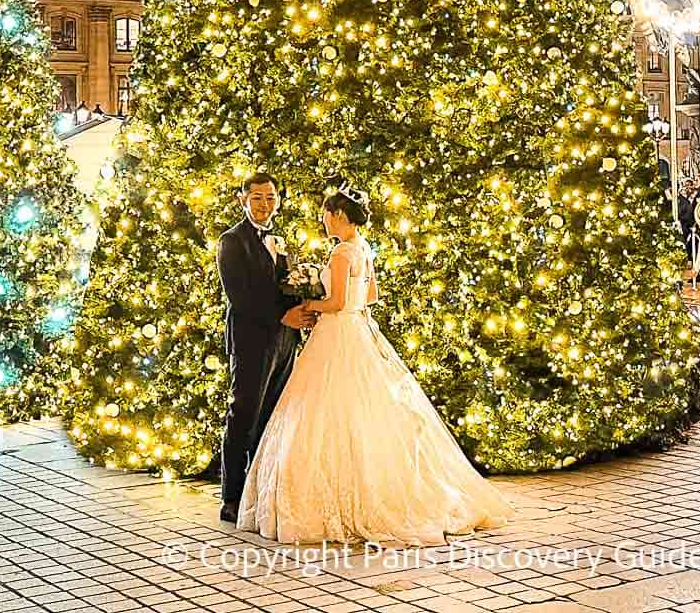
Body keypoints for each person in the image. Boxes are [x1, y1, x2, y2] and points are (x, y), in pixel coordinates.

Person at [238, 184, 511, 544]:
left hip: (336, 335)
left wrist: (309, 304)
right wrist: (341, 304)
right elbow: (371, 295)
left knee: (322, 411)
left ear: (337, 216)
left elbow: (335, 303)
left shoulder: (340, 253)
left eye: (325, 214)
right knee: (366, 408)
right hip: (359, 331)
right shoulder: (363, 248)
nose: (323, 221)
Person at [216, 172, 316, 523]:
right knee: (243, 415)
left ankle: (259, 493)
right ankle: (231, 497)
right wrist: (282, 317)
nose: (264, 204)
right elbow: (240, 297)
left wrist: (306, 306)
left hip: (285, 342)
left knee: (272, 418)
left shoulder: (281, 239)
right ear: (243, 200)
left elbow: (285, 285)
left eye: (271, 197)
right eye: (257, 197)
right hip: (252, 340)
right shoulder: (232, 242)